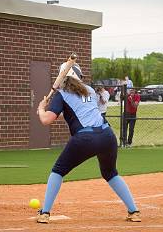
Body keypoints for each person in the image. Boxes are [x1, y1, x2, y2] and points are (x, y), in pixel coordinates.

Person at [36, 60, 141, 224]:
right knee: (111, 173)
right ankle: (134, 211)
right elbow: (76, 112)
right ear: (79, 77)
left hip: (85, 139)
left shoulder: (61, 94)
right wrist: (54, 109)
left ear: (63, 78)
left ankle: (44, 213)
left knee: (58, 171)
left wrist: (42, 109)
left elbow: (46, 120)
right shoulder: (90, 91)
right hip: (107, 136)